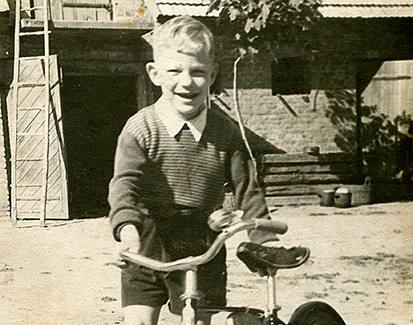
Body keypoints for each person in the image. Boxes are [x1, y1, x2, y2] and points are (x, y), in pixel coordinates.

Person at [108, 16, 274, 325]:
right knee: (138, 322)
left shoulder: (225, 132)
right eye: (175, 71)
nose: (187, 82)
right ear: (155, 74)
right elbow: (124, 186)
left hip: (202, 241)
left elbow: (247, 187)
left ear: (212, 75)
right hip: (148, 238)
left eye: (198, 72)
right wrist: (127, 231)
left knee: (197, 319)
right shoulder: (140, 128)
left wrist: (262, 241)